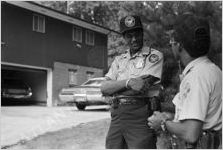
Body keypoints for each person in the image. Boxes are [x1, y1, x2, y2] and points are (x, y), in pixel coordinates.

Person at [147, 14, 222, 149]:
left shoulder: (196, 76)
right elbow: (203, 117)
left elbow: (191, 133)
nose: (171, 44)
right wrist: (171, 116)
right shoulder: (213, 70)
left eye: (172, 40)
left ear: (179, 45)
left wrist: (162, 123)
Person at [100, 15, 164, 149]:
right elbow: (104, 88)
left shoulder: (154, 56)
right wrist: (128, 82)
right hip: (117, 114)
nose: (134, 39)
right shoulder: (119, 60)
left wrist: (115, 88)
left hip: (140, 114)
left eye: (137, 34)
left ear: (142, 33)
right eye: (129, 36)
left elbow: (141, 86)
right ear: (124, 37)